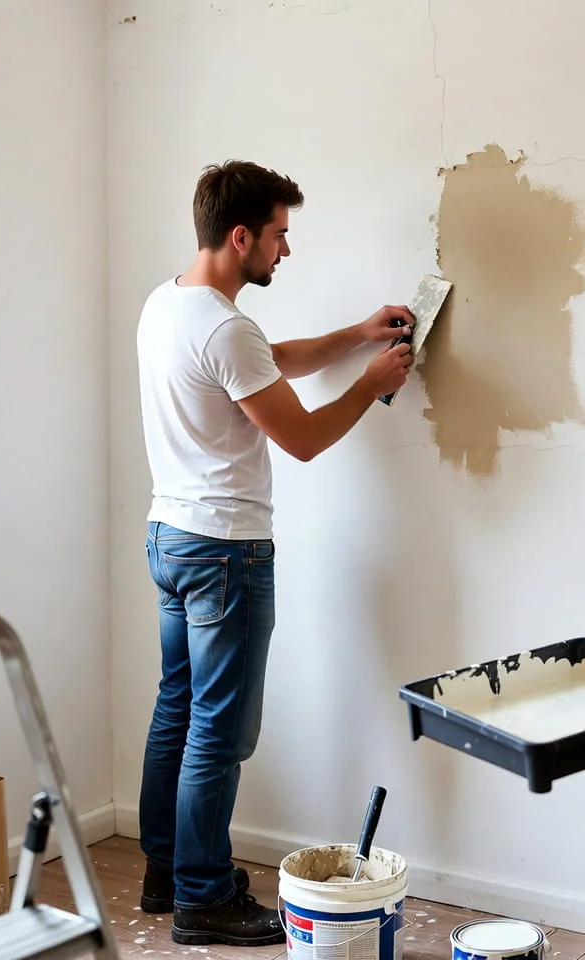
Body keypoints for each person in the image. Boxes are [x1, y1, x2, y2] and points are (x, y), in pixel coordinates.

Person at [135, 160, 415, 947]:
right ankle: (203, 899)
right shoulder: (226, 327)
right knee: (217, 733)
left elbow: (265, 362)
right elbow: (301, 439)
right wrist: (371, 381)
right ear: (240, 236)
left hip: (170, 538)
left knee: (178, 713)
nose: (286, 252)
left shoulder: (170, 304)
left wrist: (358, 335)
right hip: (224, 552)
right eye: (280, 236)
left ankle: (167, 872)